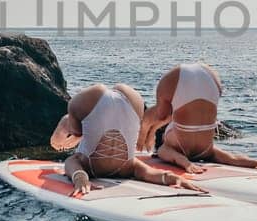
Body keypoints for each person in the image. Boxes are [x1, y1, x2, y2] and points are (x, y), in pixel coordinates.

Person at [50, 83, 205, 196]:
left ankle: (67, 130)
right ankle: (68, 130)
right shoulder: (127, 167)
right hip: (126, 100)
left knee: (73, 132)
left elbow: (71, 162)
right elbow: (152, 174)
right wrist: (173, 178)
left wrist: (80, 178)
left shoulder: (128, 167)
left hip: (129, 102)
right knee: (75, 130)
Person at [143, 62, 257, 173]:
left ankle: (186, 164)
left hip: (189, 148)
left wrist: (185, 163)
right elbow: (164, 118)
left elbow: (169, 151)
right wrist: (152, 131)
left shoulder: (166, 146)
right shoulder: (176, 142)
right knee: (231, 158)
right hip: (205, 148)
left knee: (163, 150)